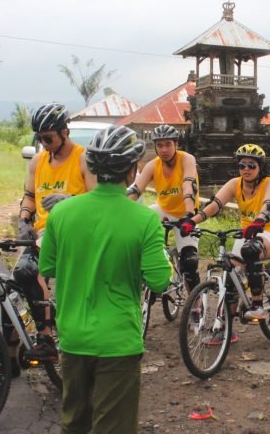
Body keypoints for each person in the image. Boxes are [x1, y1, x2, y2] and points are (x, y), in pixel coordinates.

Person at [39, 125, 172, 433]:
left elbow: (48, 268)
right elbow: (159, 282)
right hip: (118, 342)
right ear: (131, 169)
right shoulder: (144, 219)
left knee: (74, 422)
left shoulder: (61, 213)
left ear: (95, 167)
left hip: (72, 337)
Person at [0, 103, 96, 380]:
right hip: (41, 233)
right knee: (12, 289)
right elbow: (28, 195)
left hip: (72, 232)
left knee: (26, 271)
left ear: (64, 132)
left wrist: (70, 201)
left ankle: (47, 337)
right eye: (39, 138)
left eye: (48, 138)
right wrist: (24, 219)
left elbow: (99, 201)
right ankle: (11, 360)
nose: (44, 143)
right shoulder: (38, 161)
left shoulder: (84, 159)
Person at [179, 144, 270, 333]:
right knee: (230, 276)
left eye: (251, 165)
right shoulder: (234, 184)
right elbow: (215, 205)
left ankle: (256, 304)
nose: (246, 169)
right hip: (247, 233)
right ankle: (225, 331)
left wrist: (259, 221)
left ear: (260, 167)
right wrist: (193, 221)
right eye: (242, 165)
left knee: (251, 250)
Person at [127, 124, 201, 291]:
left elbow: (188, 186)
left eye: (168, 144)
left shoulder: (186, 159)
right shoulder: (152, 165)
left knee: (189, 262)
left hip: (185, 212)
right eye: (159, 145)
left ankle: (195, 307)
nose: (164, 149)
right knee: (138, 227)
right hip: (163, 209)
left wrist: (189, 215)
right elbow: (136, 190)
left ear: (176, 144)